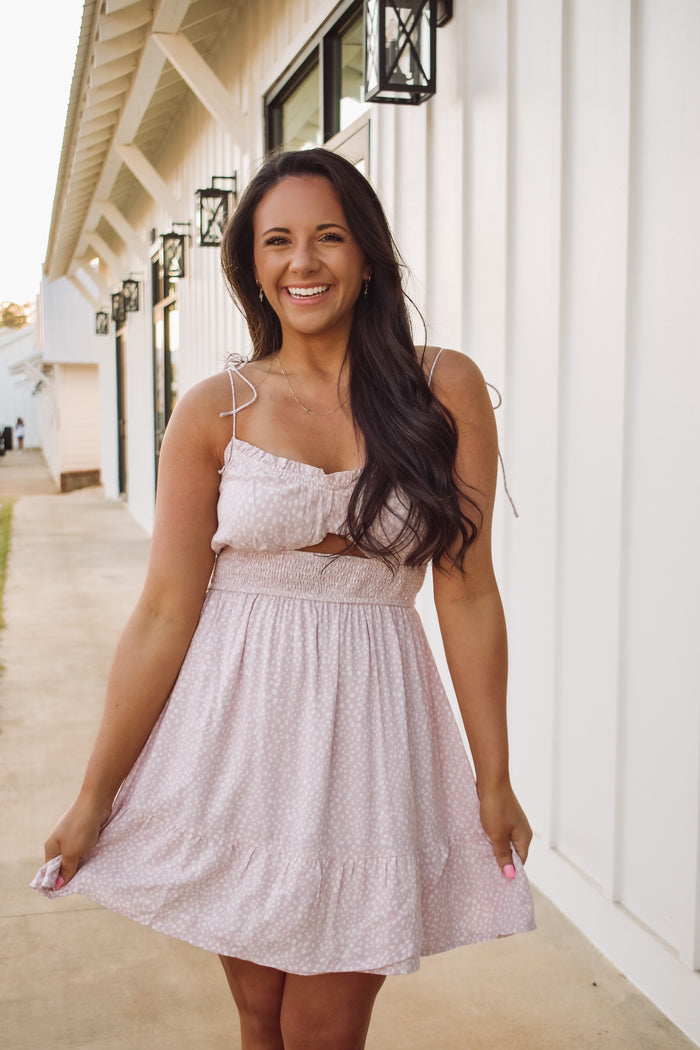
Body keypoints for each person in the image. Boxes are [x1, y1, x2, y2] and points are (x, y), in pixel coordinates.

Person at [32, 148, 534, 1049]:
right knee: (261, 1019)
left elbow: (468, 593)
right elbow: (163, 612)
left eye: (328, 237)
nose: (304, 262)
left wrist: (493, 777)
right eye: (279, 241)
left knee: (325, 1030)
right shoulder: (213, 410)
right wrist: (96, 793)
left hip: (374, 742)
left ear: (368, 255)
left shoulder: (441, 388)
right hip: (236, 741)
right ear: (253, 268)